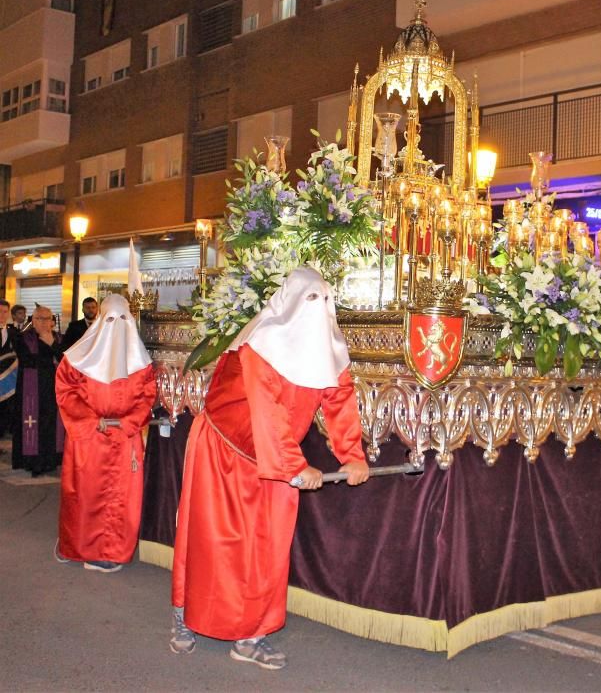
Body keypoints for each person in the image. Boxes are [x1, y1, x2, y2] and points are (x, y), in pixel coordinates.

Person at [170, 267, 370, 670]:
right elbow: (267, 410)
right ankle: (184, 617)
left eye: (325, 301)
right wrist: (295, 466)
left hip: (276, 456)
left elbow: (340, 400)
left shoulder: (328, 347)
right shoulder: (261, 345)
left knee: (269, 546)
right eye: (310, 299)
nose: (319, 310)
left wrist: (352, 455)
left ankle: (252, 634)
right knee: (212, 540)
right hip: (223, 450)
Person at [55, 294, 157, 573]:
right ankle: (74, 545)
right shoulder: (78, 357)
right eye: (110, 319)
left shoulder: (141, 362)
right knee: (82, 495)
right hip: (89, 438)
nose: (117, 325)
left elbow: (148, 396)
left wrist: (128, 422)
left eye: (122, 319)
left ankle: (110, 551)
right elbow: (66, 391)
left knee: (119, 499)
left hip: (124, 440)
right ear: (100, 320)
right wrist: (91, 420)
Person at [11, 305, 64, 476]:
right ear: (33, 321)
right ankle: (33, 462)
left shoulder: (59, 339)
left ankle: (50, 460)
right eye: (39, 319)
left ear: (52, 321)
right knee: (33, 424)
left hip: (53, 390)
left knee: (51, 425)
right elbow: (28, 360)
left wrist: (53, 345)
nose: (43, 322)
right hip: (31, 391)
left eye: (47, 319)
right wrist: (49, 349)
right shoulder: (24, 338)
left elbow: (66, 361)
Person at [0, 299, 18, 438]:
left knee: (5, 411)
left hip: (6, 381)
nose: (2, 314)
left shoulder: (14, 333)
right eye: (0, 311)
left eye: (5, 312)